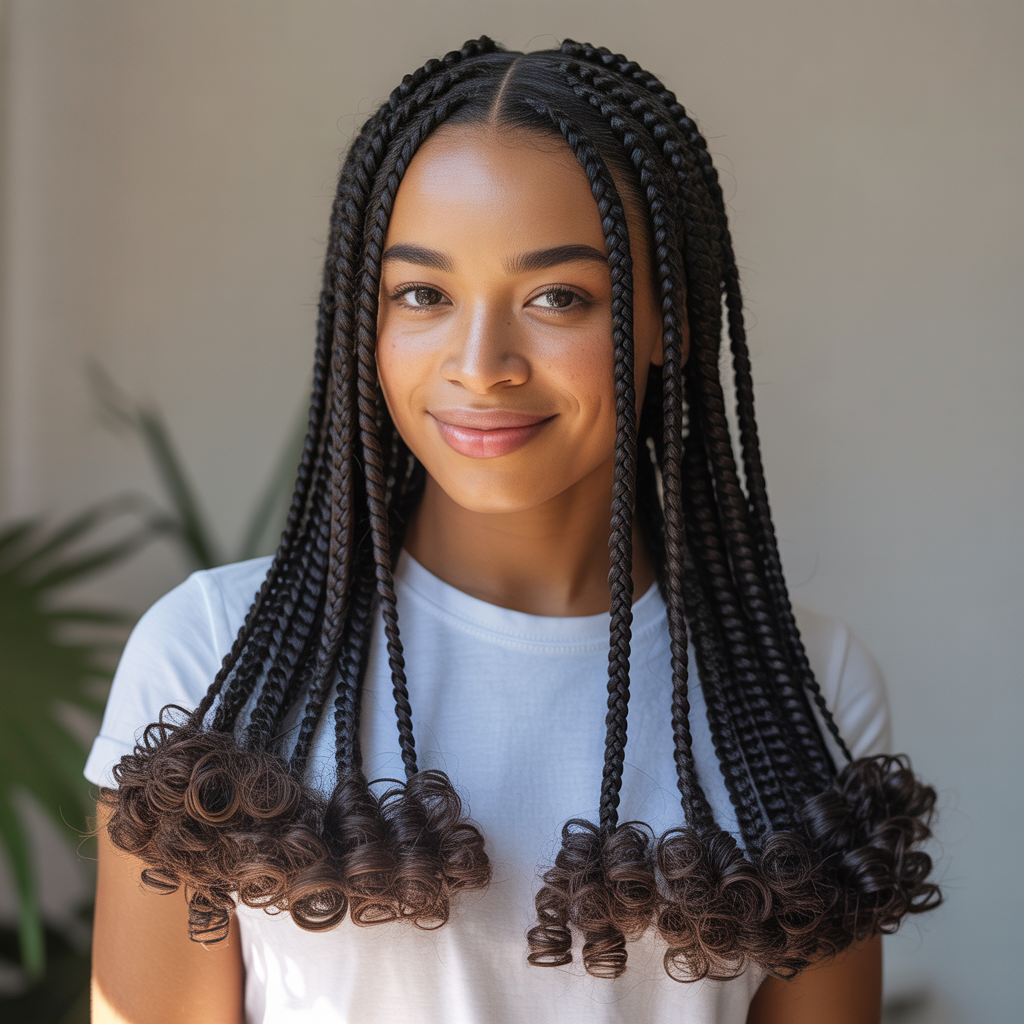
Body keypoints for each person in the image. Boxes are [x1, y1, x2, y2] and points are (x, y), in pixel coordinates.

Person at [86, 38, 940, 1024]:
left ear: (668, 320)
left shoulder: (800, 691)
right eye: (423, 294)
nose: (481, 362)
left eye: (556, 297)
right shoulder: (209, 654)